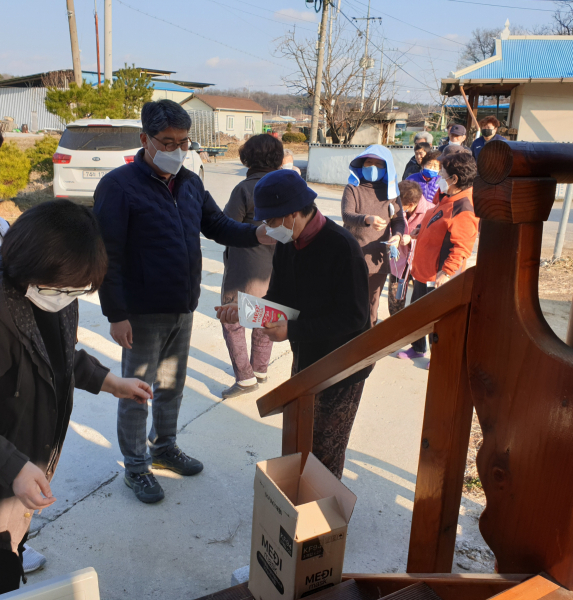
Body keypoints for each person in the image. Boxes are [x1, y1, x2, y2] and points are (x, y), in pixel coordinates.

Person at [94, 99, 275, 504]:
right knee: (137, 391)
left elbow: (215, 224)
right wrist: (117, 314)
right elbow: (109, 255)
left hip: (181, 304)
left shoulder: (190, 182)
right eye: (167, 141)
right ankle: (136, 467)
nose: (177, 150)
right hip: (140, 311)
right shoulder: (119, 186)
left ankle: (165, 447)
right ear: (145, 140)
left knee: (171, 385)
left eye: (184, 142)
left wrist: (256, 233)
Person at [0, 200, 152, 593]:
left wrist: (109, 381)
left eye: (78, 290)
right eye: (63, 288)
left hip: (22, 468)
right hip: (7, 468)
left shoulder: (56, 299)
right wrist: (14, 465)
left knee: (10, 551)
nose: (69, 297)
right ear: (28, 266)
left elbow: (58, 357)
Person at [215, 170, 371, 479]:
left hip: (343, 362)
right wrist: (246, 310)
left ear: (293, 214)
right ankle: (296, 503)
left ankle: (323, 518)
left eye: (271, 222)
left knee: (326, 447)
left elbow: (355, 317)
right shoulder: (288, 242)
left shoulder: (341, 246)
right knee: (300, 433)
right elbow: (279, 296)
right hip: (308, 354)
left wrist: (293, 330)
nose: (268, 229)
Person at [398, 152, 479, 365]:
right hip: (424, 270)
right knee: (418, 312)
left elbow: (462, 246)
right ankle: (418, 348)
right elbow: (436, 218)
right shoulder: (448, 195)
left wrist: (447, 272)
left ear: (454, 179)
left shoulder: (464, 207)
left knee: (437, 321)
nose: (438, 175)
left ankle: (441, 360)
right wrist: (419, 231)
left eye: (442, 172)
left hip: (437, 275)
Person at [220, 134, 283, 399]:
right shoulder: (285, 187)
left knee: (233, 319)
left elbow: (226, 227)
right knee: (265, 315)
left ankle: (245, 378)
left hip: (245, 266)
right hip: (276, 266)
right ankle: (260, 369)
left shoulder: (245, 189)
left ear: (247, 158)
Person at [341, 144, 404, 327]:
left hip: (377, 257)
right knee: (350, 302)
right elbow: (347, 215)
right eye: (369, 162)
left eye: (379, 164)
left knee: (371, 305)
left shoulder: (392, 192)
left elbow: (399, 220)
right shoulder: (353, 188)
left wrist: (398, 236)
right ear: (361, 164)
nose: (373, 167)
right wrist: (367, 219)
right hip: (352, 254)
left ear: (387, 168)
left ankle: (367, 348)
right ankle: (347, 345)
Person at [387, 180, 430, 316]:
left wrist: (411, 240)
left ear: (410, 204)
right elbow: (389, 228)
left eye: (400, 204)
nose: (396, 207)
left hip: (419, 266)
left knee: (418, 306)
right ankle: (395, 333)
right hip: (398, 264)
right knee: (394, 304)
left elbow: (432, 241)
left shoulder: (431, 211)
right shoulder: (394, 209)